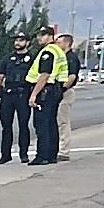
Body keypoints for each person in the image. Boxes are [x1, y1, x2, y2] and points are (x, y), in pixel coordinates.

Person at [0, 33, 34, 164]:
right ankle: (5, 154)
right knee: (6, 126)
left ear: (27, 43)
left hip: (23, 94)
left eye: (21, 40)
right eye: (16, 40)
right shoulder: (8, 58)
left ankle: (24, 154)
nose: (17, 43)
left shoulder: (32, 58)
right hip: (8, 95)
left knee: (23, 125)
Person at [27, 25, 67, 166]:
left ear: (51, 36)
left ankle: (42, 155)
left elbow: (44, 75)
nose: (39, 38)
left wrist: (33, 95)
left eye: (42, 35)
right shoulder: (58, 50)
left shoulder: (47, 52)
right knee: (51, 123)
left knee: (42, 124)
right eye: (38, 35)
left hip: (46, 91)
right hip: (55, 90)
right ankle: (51, 155)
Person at [57, 34, 78, 160]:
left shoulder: (71, 58)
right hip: (58, 91)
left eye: (59, 42)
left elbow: (72, 76)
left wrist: (62, 88)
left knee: (63, 122)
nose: (57, 45)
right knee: (57, 122)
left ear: (66, 43)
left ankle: (64, 151)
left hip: (65, 92)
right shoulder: (61, 57)